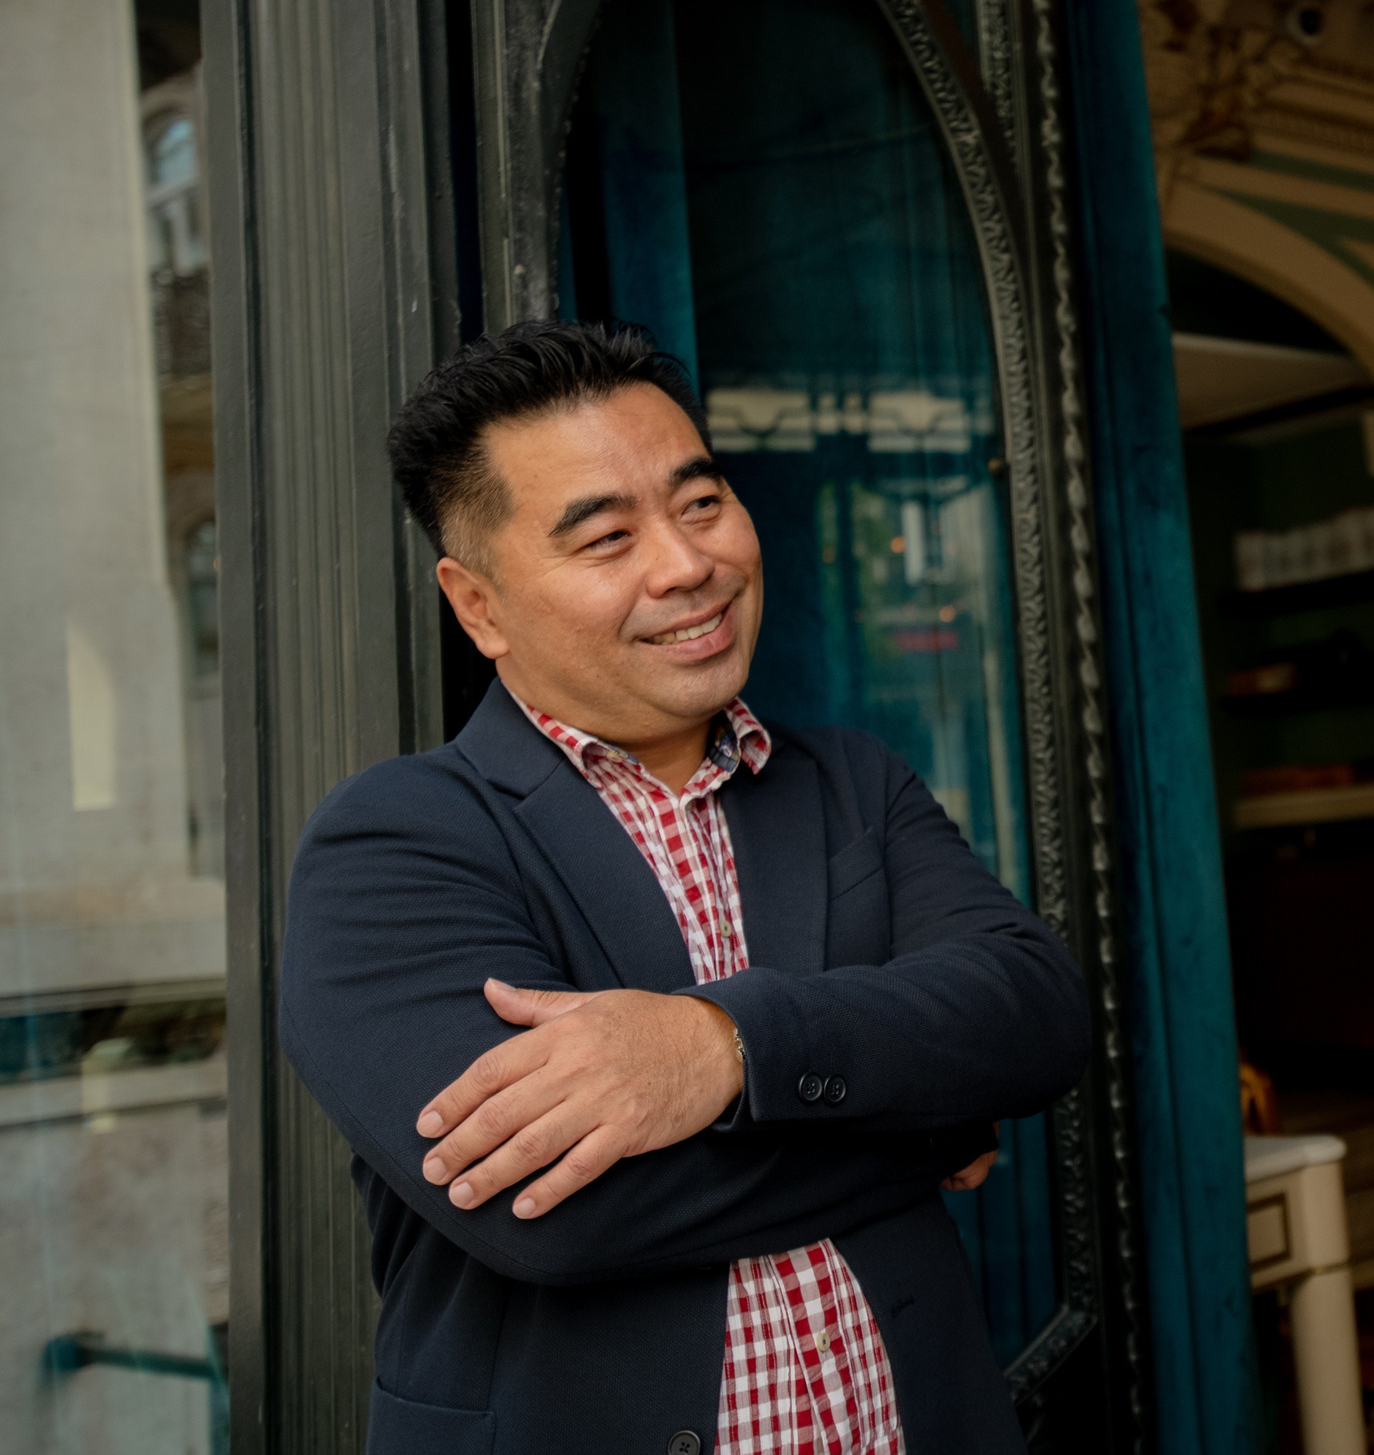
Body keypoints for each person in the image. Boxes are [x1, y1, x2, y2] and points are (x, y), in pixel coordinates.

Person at [280, 322, 1088, 1455]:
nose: (685, 564)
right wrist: (922, 1111)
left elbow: (1037, 1014)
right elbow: (556, 1220)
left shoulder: (852, 785)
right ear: (481, 606)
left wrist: (721, 1051)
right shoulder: (397, 845)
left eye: (700, 503)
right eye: (607, 537)